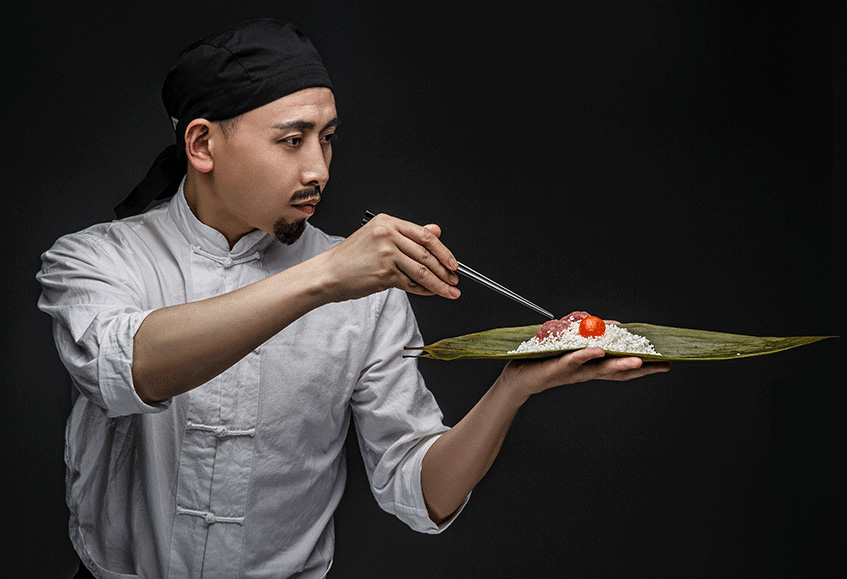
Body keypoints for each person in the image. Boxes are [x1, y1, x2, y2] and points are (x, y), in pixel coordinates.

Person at [37, 18, 669, 578]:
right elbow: (128, 370)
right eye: (292, 140)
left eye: (328, 137)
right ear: (202, 145)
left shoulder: (366, 293)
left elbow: (421, 491)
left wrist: (512, 387)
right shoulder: (95, 260)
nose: (319, 169)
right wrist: (325, 277)